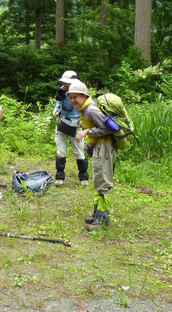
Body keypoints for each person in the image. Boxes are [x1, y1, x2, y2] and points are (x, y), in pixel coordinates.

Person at [66, 80, 115, 230]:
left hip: (105, 147)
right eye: (71, 97)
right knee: (98, 179)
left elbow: (108, 129)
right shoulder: (85, 108)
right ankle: (97, 214)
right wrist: (91, 141)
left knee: (102, 181)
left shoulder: (91, 109)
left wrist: (88, 132)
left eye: (76, 97)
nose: (73, 100)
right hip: (99, 146)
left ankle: (102, 220)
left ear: (84, 95)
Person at [53, 70, 89, 187]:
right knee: (61, 151)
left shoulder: (80, 92)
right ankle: (59, 177)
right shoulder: (63, 90)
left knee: (79, 152)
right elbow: (59, 103)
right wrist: (57, 109)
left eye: (67, 83)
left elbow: (85, 106)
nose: (65, 85)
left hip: (76, 125)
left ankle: (83, 177)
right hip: (62, 122)